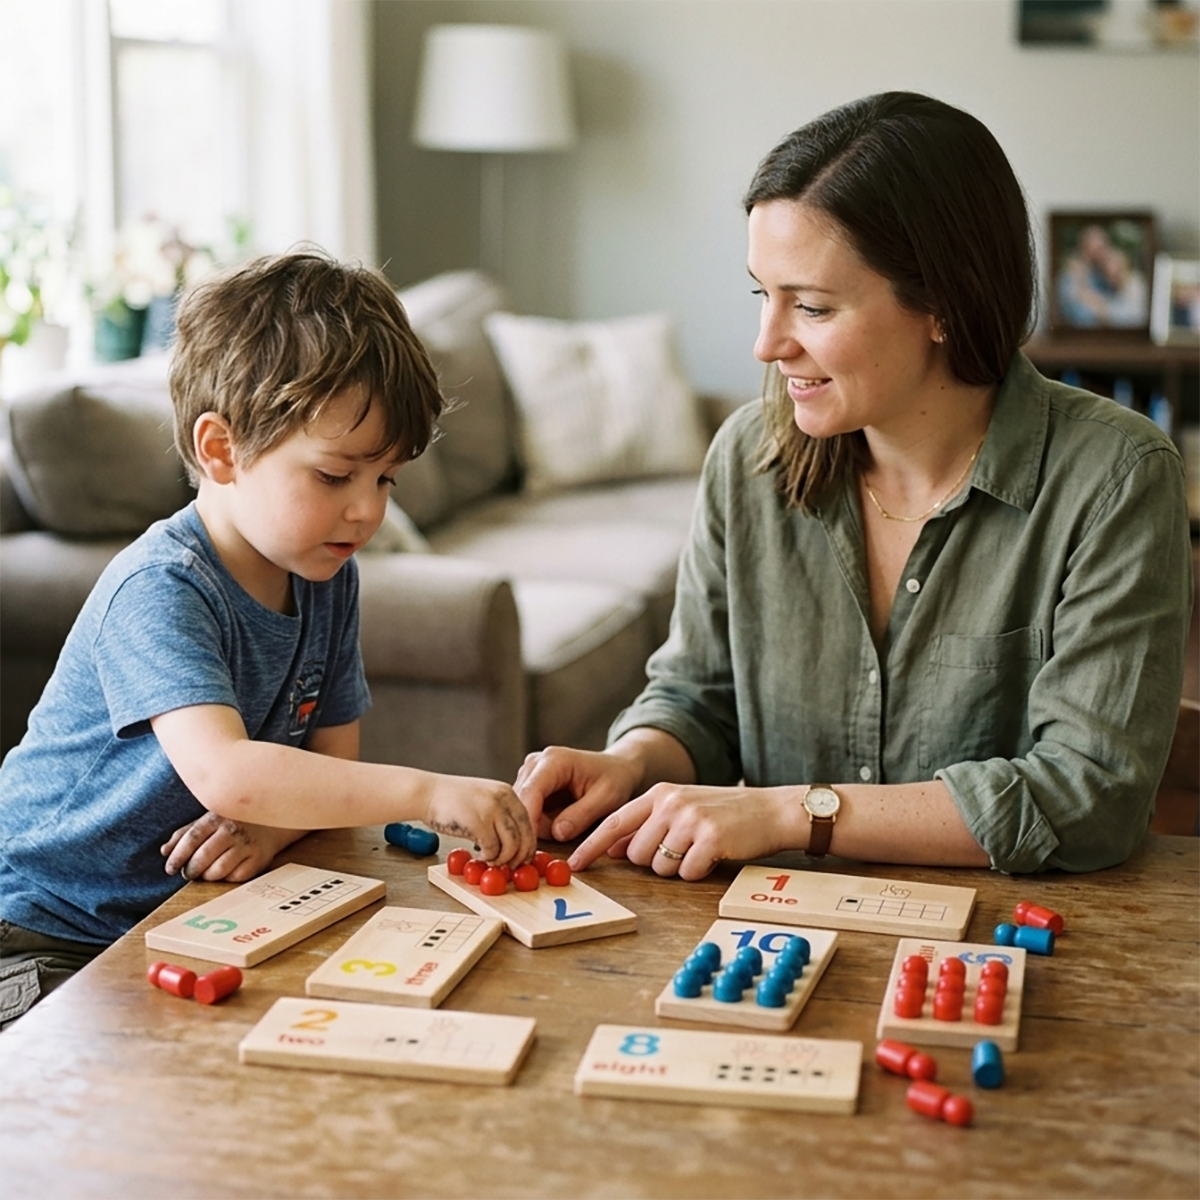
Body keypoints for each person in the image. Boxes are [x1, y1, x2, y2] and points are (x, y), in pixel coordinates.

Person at [515, 91, 1193, 882]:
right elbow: (698, 698)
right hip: (778, 927)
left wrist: (792, 813)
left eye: (811, 306)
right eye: (762, 295)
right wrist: (631, 761)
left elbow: (1088, 796)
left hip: (1011, 932)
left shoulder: (1118, 480)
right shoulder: (748, 457)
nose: (767, 343)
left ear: (942, 303)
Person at [0, 250, 535, 1028]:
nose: (368, 511)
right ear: (221, 451)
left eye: (384, 479)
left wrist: (272, 828)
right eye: (335, 476)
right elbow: (226, 773)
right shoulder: (159, 588)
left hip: (181, 918)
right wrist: (428, 793)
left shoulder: (327, 574)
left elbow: (331, 756)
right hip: (42, 929)